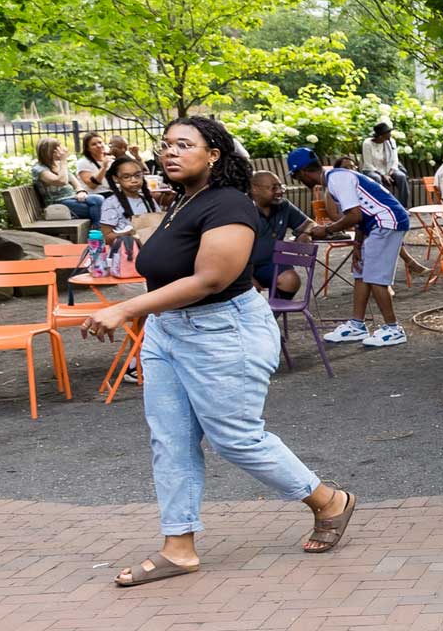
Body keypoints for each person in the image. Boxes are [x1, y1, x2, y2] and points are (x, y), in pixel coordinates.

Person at [80, 116, 355, 586]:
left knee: (236, 437)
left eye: (184, 145)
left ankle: (328, 499)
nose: (170, 152)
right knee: (170, 440)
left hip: (222, 331)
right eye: (166, 144)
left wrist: (127, 310)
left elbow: (211, 278)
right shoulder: (182, 201)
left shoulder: (229, 204)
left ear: (214, 155)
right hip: (169, 333)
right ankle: (179, 547)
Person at [288, 147, 412, 349]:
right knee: (361, 271)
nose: (299, 181)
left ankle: (393, 328)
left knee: (374, 276)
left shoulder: (337, 181)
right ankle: (357, 324)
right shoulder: (336, 178)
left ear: (302, 173)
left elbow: (355, 216)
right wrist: (358, 243)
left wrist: (326, 230)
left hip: (387, 222)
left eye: (296, 177)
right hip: (377, 223)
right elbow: (361, 213)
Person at [249, 170, 315, 302]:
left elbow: (311, 223)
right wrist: (247, 278)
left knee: (291, 280)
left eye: (281, 186)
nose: (280, 191)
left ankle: (268, 319)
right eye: (274, 188)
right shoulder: (242, 209)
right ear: (254, 189)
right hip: (240, 268)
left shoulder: (283, 206)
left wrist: (306, 233)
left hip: (270, 265)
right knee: (246, 291)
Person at [31, 138, 104, 228]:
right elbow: (61, 181)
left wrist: (80, 191)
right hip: (58, 205)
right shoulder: (39, 169)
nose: (63, 150)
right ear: (50, 152)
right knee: (100, 210)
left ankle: (97, 231)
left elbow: (76, 183)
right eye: (59, 148)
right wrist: (63, 161)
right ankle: (99, 232)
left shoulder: (57, 164)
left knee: (98, 199)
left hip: (72, 199)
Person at [101, 156, 165, 239]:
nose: (134, 180)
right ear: (116, 178)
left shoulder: (148, 201)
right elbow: (106, 237)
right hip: (126, 249)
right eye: (126, 177)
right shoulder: (111, 203)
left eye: (137, 175)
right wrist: (128, 234)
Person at [360, 122, 410, 205]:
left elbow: (395, 160)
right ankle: (382, 205)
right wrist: (383, 175)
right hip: (372, 170)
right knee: (376, 178)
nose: (390, 134)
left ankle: (403, 206)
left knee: (401, 176)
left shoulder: (391, 142)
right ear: (381, 135)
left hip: (389, 170)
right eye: (388, 133)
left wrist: (391, 172)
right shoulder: (367, 143)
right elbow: (368, 164)